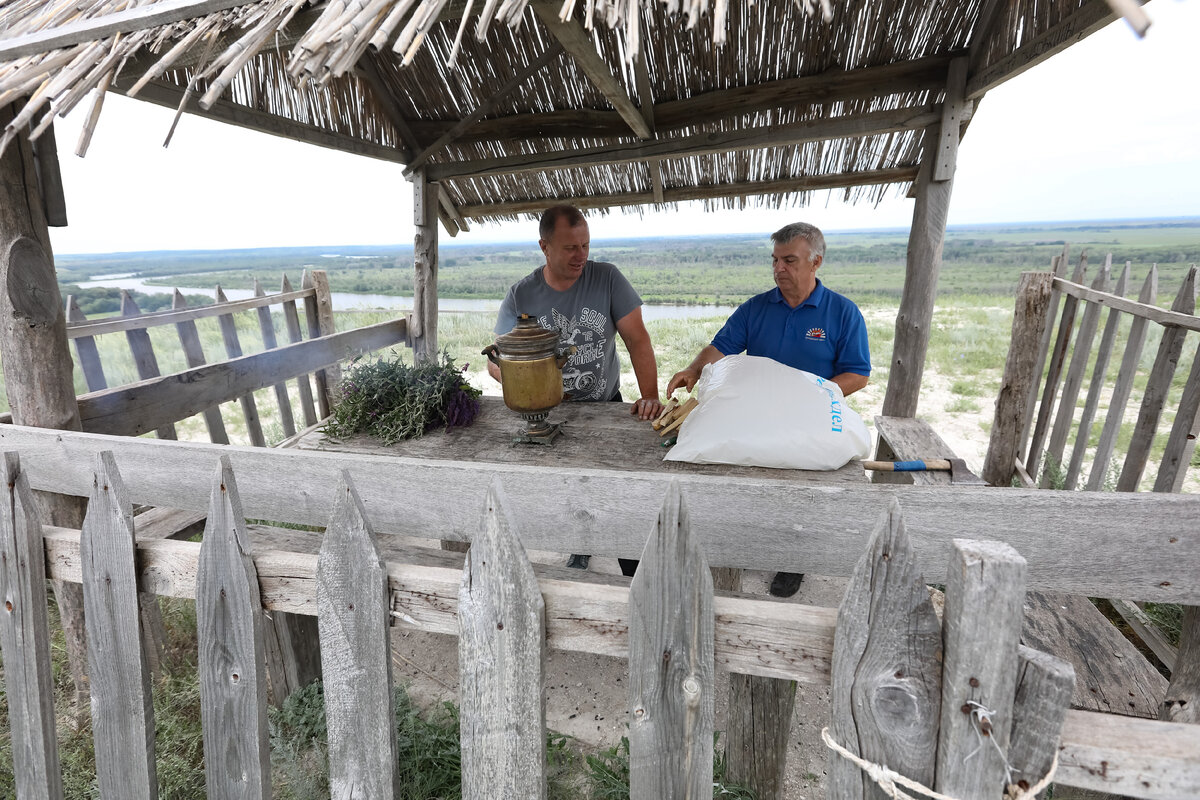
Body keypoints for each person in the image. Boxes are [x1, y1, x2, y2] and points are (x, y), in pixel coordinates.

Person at [667, 222, 871, 597]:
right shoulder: (756, 308)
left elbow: (858, 375)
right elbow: (722, 346)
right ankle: (744, 546)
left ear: (816, 263)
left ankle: (793, 561)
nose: (779, 268)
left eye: (789, 260)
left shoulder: (843, 313)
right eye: (775, 260)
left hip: (810, 417)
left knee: (801, 492)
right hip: (758, 414)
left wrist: (812, 393)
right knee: (747, 477)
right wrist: (694, 370)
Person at [490, 204, 663, 576]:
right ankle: (579, 548)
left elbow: (638, 341)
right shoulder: (522, 294)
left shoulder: (607, 278)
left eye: (585, 245)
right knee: (565, 491)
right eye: (570, 248)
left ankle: (634, 571)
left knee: (615, 494)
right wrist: (531, 385)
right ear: (544, 247)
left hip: (605, 405)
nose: (581, 255)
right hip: (550, 412)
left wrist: (649, 396)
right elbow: (497, 359)